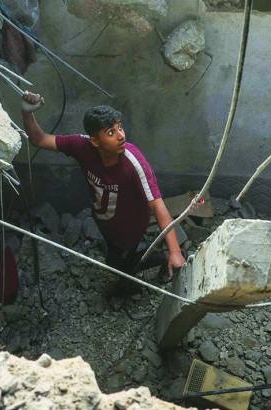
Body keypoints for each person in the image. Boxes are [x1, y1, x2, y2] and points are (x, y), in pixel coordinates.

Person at [20, 91, 186, 293]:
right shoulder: (81, 146)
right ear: (95, 141)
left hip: (129, 226)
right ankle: (135, 269)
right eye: (110, 132)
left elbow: (158, 205)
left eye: (120, 128)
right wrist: (27, 112)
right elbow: (39, 139)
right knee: (116, 255)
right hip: (105, 221)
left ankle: (137, 281)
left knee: (118, 264)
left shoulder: (134, 162)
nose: (121, 135)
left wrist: (175, 251)